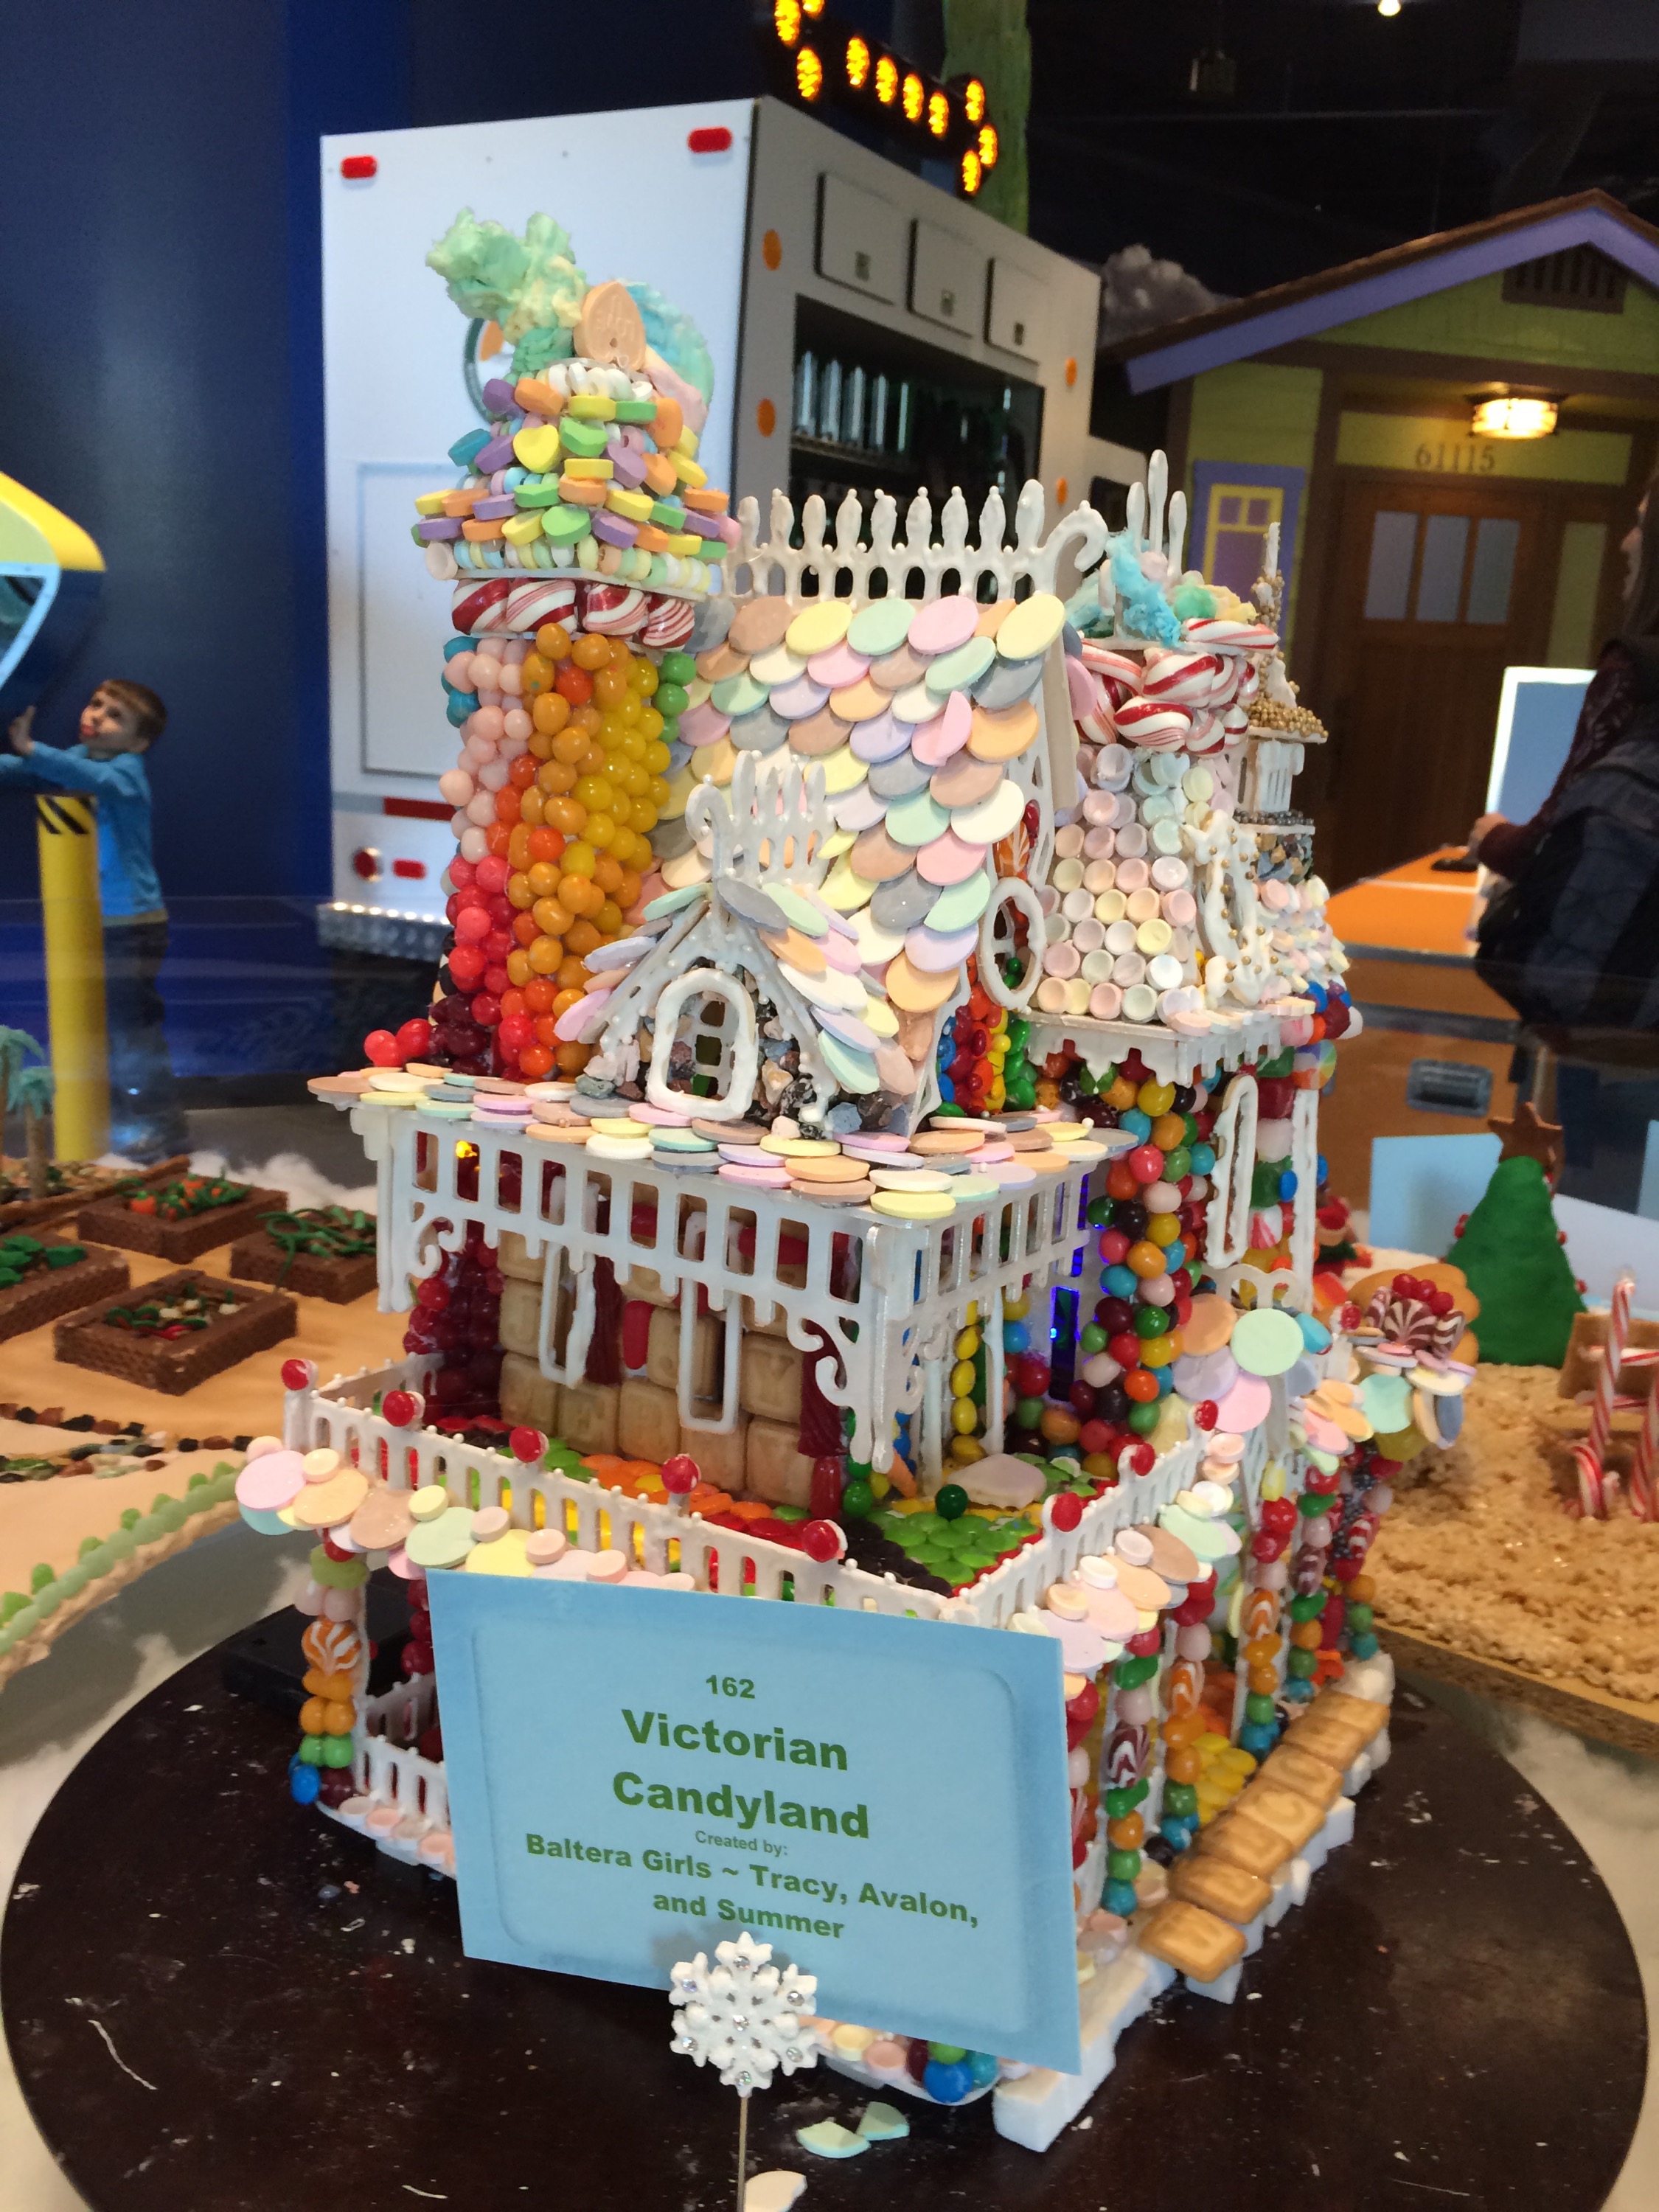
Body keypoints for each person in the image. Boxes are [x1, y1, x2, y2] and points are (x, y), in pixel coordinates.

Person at [1468, 484, 1659, 1207]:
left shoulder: (1635, 667)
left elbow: (1553, 843)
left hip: (1609, 1017)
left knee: (1577, 1204)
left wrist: (1491, 837)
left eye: (1641, 523)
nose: (1627, 541)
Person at [0, 680, 184, 1154]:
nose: (97, 715)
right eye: (96, 704)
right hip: (87, 921)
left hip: (131, 925)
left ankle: (159, 1125)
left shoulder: (127, 774)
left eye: (115, 715)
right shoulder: (78, 760)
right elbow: (29, 770)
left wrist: (33, 749)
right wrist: (26, 758)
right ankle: (115, 1122)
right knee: (93, 1029)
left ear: (139, 743)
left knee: (130, 1032)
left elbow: (92, 780)